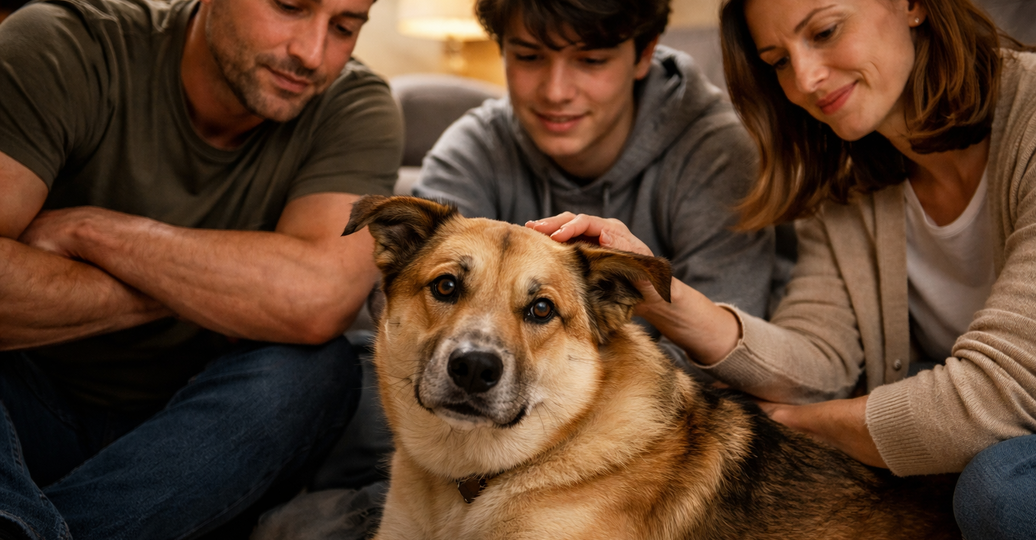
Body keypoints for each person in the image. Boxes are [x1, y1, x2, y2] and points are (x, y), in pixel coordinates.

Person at [530, 0, 1036, 538]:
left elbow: (996, 398)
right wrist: (651, 288)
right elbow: (817, 362)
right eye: (778, 61)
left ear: (912, 5)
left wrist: (806, 426)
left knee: (1007, 493)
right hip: (1012, 436)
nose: (806, 80)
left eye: (824, 32)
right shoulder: (847, 174)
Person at [0, 0, 402, 537]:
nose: (311, 53)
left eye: (345, 27)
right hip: (26, 407)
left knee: (319, 370)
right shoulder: (64, 44)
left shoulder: (355, 105)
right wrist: (239, 288)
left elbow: (318, 300)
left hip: (204, 437)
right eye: (289, 6)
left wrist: (94, 232)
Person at [411, 0, 787, 378]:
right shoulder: (471, 147)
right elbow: (405, 307)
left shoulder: (719, 156)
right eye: (528, 56)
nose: (556, 91)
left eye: (591, 61)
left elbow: (726, 368)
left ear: (645, 54)